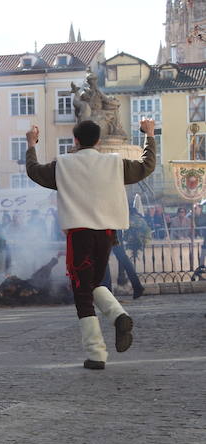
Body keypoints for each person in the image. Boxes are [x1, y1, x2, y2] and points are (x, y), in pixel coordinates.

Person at [25, 119, 156, 370]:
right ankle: (118, 316)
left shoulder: (63, 164)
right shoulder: (114, 163)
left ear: (75, 140)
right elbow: (146, 166)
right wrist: (149, 135)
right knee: (94, 284)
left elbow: (34, 171)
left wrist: (31, 144)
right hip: (107, 233)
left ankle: (96, 353)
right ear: (97, 140)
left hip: (79, 233)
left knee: (81, 291)